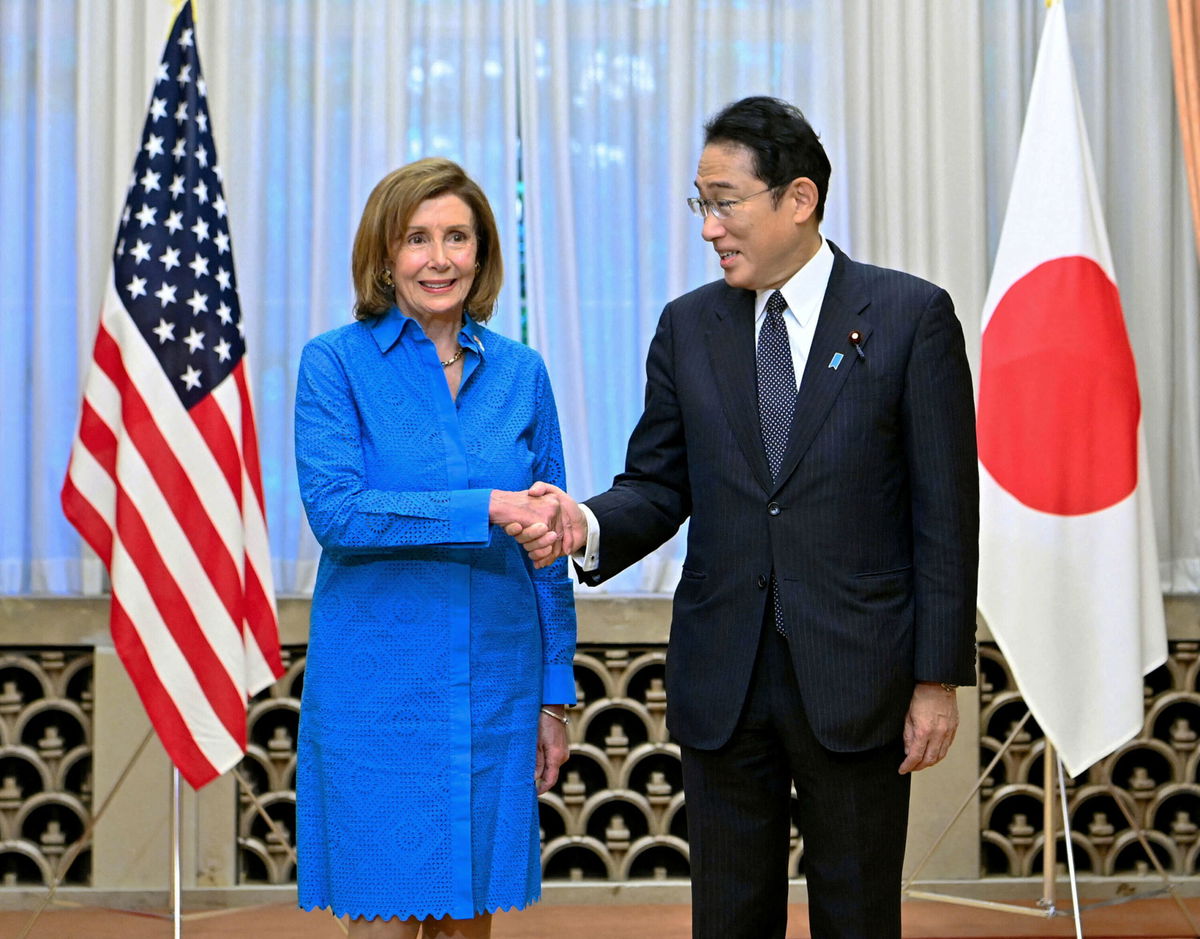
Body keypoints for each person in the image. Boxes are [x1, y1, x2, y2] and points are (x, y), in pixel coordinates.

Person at [514, 97, 978, 938]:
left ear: (797, 199)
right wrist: (583, 521)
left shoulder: (910, 317)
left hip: (857, 676)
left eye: (725, 201)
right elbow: (657, 484)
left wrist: (935, 679)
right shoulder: (689, 327)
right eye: (702, 203)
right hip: (724, 673)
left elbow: (944, 516)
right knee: (728, 919)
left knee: (858, 915)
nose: (708, 227)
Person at [293, 157, 578, 939]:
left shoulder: (523, 373)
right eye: (417, 239)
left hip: (495, 686)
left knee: (468, 921)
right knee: (384, 921)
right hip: (376, 696)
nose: (440, 258)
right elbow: (339, 513)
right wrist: (484, 504)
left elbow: (549, 541)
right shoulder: (334, 363)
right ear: (385, 257)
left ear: (482, 253)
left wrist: (554, 695)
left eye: (458, 237)